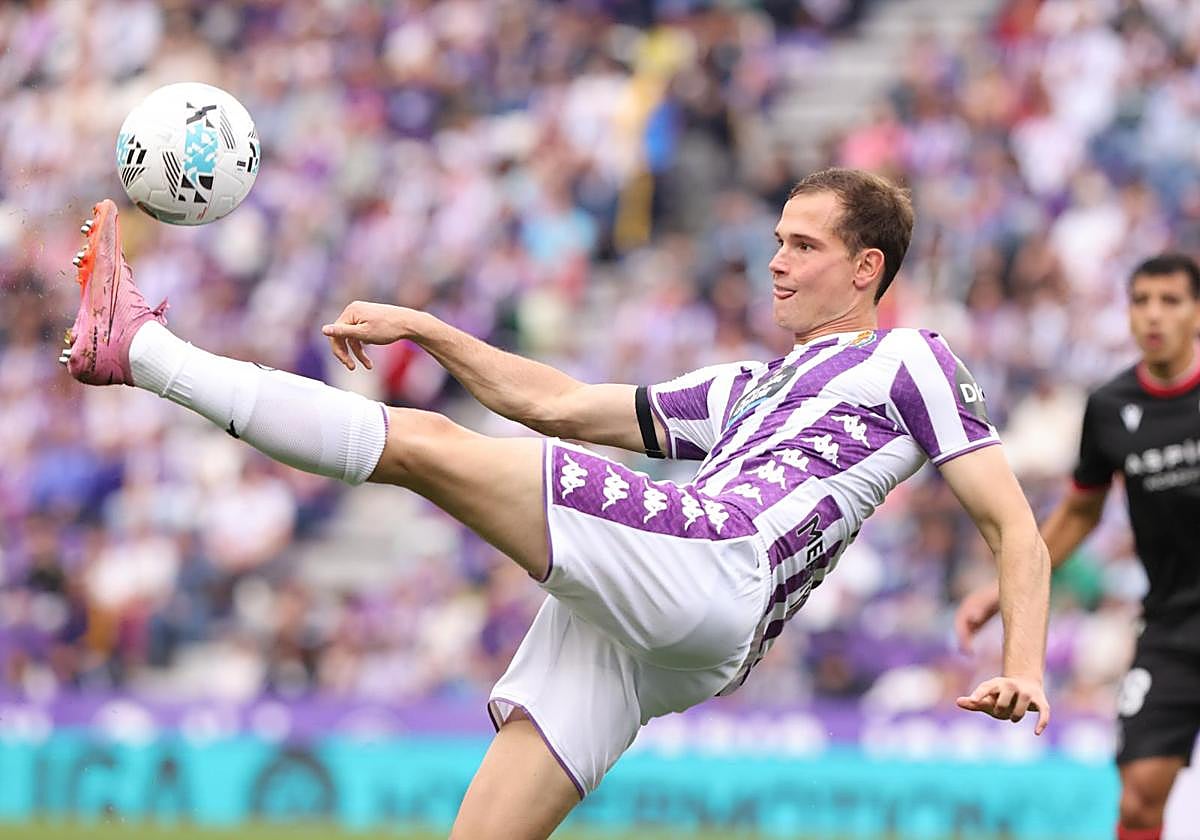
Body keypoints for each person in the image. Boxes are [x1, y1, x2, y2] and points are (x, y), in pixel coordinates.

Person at [63, 168, 1051, 840]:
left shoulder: (909, 360)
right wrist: (425, 329)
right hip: (671, 628)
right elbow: (557, 403)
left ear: (866, 268)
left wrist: (1023, 667)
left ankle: (141, 350)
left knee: (432, 448)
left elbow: (1015, 529)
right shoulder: (748, 386)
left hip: (719, 560)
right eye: (776, 240)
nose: (777, 262)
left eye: (802, 245)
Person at [956, 254, 1200, 840]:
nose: (1154, 315)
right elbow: (1081, 512)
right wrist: (1004, 589)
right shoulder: (1111, 408)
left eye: (1170, 301)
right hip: (1171, 627)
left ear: (1197, 313)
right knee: (1140, 797)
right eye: (1141, 301)